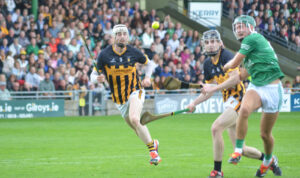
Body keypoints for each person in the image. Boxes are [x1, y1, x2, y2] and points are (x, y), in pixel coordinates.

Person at [186, 30, 264, 178]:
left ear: (220, 43)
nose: (210, 45)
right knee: (241, 149)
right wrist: (194, 103)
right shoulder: (208, 64)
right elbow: (208, 91)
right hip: (228, 102)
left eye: (213, 41)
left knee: (216, 128)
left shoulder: (227, 56)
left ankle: (217, 171)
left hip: (240, 99)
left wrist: (214, 88)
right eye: (207, 42)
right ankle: (269, 159)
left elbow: (235, 79)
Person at [90, 24, 160, 165]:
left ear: (128, 37)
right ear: (114, 37)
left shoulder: (133, 52)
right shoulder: (104, 55)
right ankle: (153, 143)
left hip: (135, 91)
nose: (122, 36)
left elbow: (150, 64)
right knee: (136, 128)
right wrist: (96, 79)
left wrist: (147, 77)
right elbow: (93, 74)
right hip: (119, 99)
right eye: (119, 34)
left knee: (135, 119)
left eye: (125, 34)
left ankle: (153, 153)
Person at [224, 15, 283, 177]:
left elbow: (233, 64)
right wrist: (226, 79)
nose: (239, 29)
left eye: (242, 26)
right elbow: (242, 74)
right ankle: (238, 150)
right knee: (244, 111)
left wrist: (226, 66)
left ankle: (268, 160)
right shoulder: (250, 52)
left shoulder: (253, 38)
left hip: (273, 89)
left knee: (265, 135)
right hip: (257, 86)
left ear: (251, 27)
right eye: (236, 27)